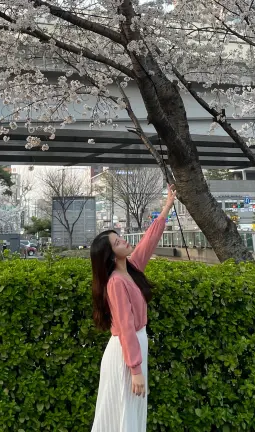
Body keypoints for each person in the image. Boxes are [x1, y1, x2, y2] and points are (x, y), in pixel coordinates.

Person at [89, 184, 177, 432]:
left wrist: (166, 208)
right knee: (124, 409)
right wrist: (136, 369)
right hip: (126, 354)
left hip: (133, 349)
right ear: (111, 254)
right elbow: (126, 327)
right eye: (118, 242)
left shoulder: (131, 269)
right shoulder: (116, 282)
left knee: (130, 409)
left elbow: (148, 243)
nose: (124, 241)